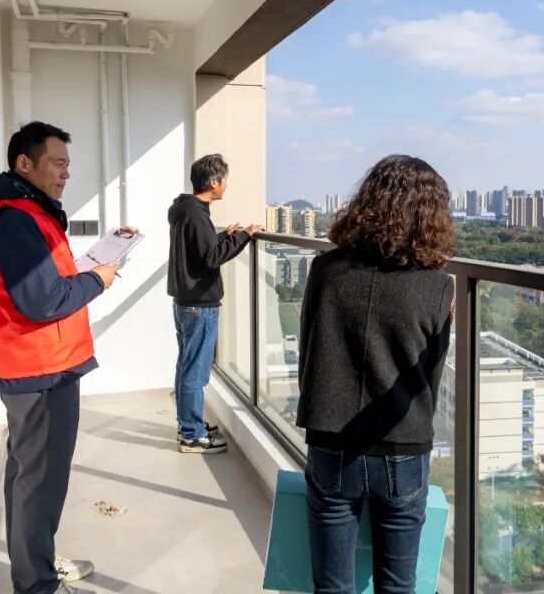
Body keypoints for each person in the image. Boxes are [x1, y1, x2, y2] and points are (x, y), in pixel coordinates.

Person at [0, 121, 130, 594]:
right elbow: (41, 300)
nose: (66, 173)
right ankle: (38, 584)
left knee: (28, 478)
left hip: (42, 362)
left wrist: (95, 263)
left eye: (68, 165)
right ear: (24, 164)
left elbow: (47, 283)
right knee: (40, 485)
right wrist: (98, 280)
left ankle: (34, 566)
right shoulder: (15, 218)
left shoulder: (30, 213)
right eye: (57, 164)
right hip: (42, 368)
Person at [296, 155, 455, 594]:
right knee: (398, 587)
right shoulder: (437, 284)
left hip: (331, 437)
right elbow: (431, 375)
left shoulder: (326, 270)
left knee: (332, 587)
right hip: (402, 442)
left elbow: (308, 348)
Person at [167, 153, 261, 453]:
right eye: (224, 181)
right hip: (199, 306)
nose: (226, 186)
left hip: (185, 302)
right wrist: (244, 236)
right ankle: (192, 434)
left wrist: (223, 237)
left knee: (187, 367)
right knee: (195, 371)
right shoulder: (196, 214)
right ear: (213, 182)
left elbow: (200, 250)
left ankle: (188, 425)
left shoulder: (185, 210)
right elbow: (211, 258)